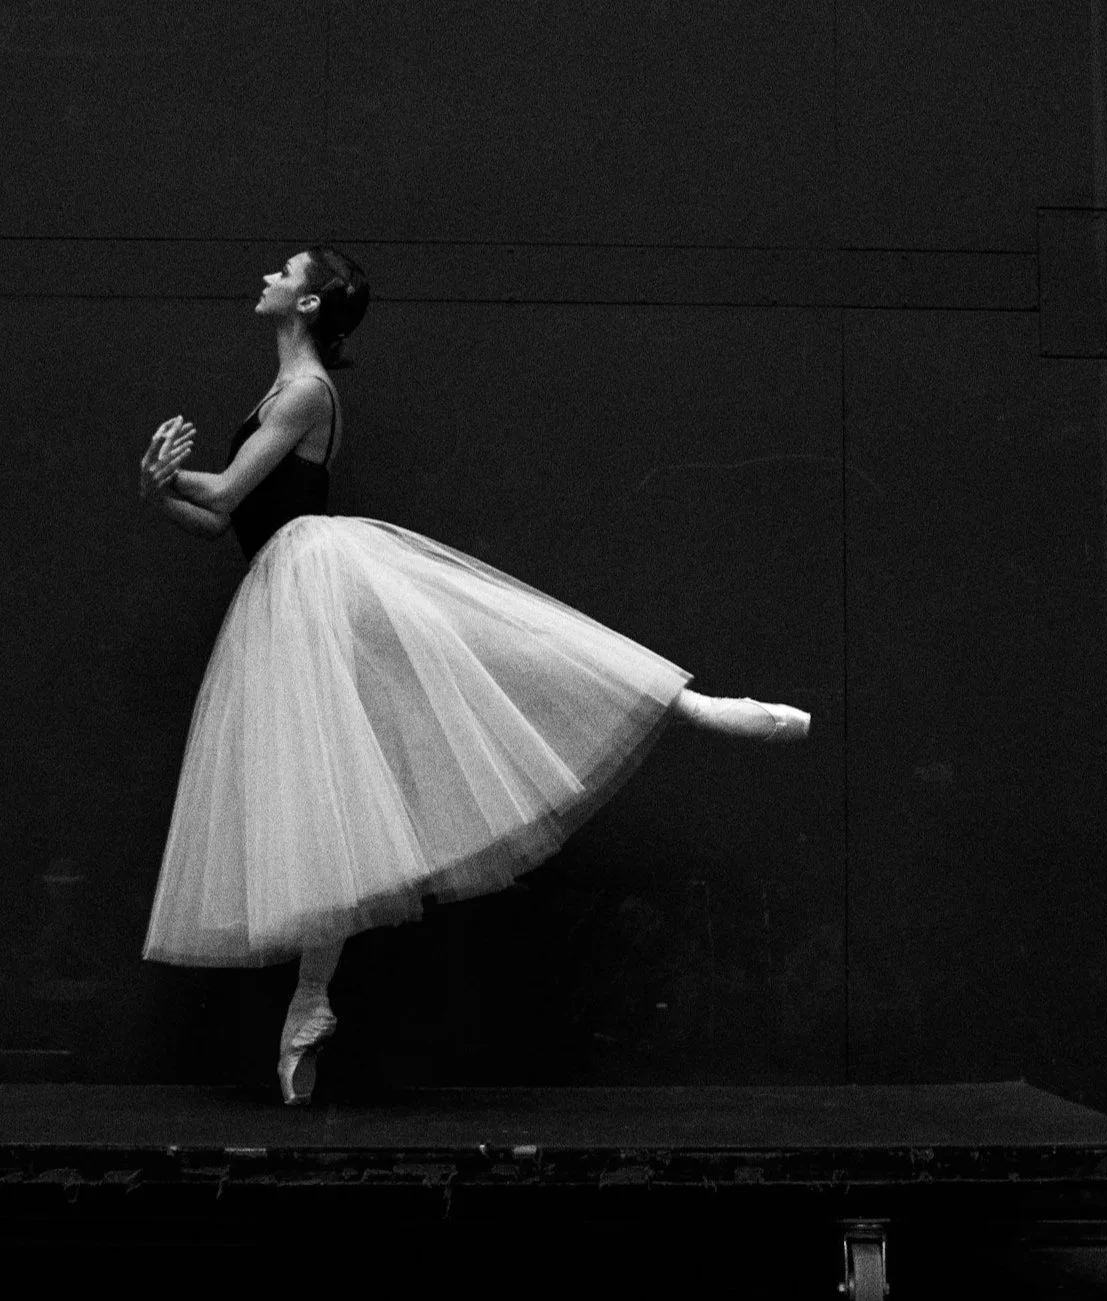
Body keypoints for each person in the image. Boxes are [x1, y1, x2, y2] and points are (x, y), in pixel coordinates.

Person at [138, 246, 811, 1104]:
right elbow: (213, 525)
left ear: (306, 304)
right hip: (280, 585)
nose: (266, 274)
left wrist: (173, 475)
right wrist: (157, 493)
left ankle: (691, 704)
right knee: (325, 791)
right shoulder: (275, 391)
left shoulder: (307, 392)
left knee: (487, 647)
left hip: (319, 578)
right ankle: (309, 1005)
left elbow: (229, 491)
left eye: (284, 270)